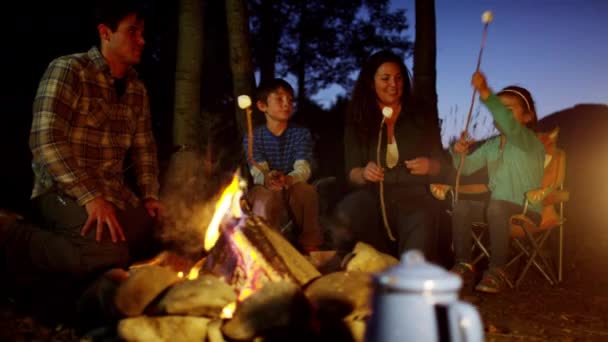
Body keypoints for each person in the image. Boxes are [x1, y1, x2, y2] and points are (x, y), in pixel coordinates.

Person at [1, 0, 162, 287]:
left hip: (114, 194)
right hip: (63, 190)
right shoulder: (69, 69)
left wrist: (150, 196)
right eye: (133, 31)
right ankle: (12, 233)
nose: (142, 40)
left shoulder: (138, 89)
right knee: (109, 253)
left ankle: (92, 257)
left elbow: (144, 148)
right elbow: (45, 140)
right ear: (105, 32)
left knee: (163, 233)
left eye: (142, 33)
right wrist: (90, 197)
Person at [331, 50, 446, 258]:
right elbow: (351, 173)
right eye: (385, 78)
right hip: (373, 196)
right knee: (348, 210)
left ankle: (409, 278)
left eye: (398, 78)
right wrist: (363, 173)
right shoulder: (358, 119)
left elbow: (441, 162)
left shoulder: (421, 115)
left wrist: (430, 165)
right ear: (370, 82)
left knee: (420, 226)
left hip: (414, 196)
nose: (393, 84)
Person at [449, 71, 544, 293]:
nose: (502, 115)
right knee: (462, 206)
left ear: (528, 117)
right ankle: (463, 264)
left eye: (508, 110)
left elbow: (511, 127)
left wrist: (485, 92)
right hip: (497, 210)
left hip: (526, 208)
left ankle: (498, 270)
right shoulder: (492, 146)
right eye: (500, 110)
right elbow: (467, 168)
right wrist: (458, 153)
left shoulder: (529, 141)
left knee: (497, 206)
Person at [243, 78, 324, 253]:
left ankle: (311, 248)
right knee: (264, 198)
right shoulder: (253, 136)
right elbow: (257, 169)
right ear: (262, 106)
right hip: (265, 186)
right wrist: (268, 178)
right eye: (279, 99)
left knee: (307, 191)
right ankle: (268, 249)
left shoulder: (300, 133)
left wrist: (288, 179)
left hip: (292, 183)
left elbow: (303, 167)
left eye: (290, 99)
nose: (287, 103)